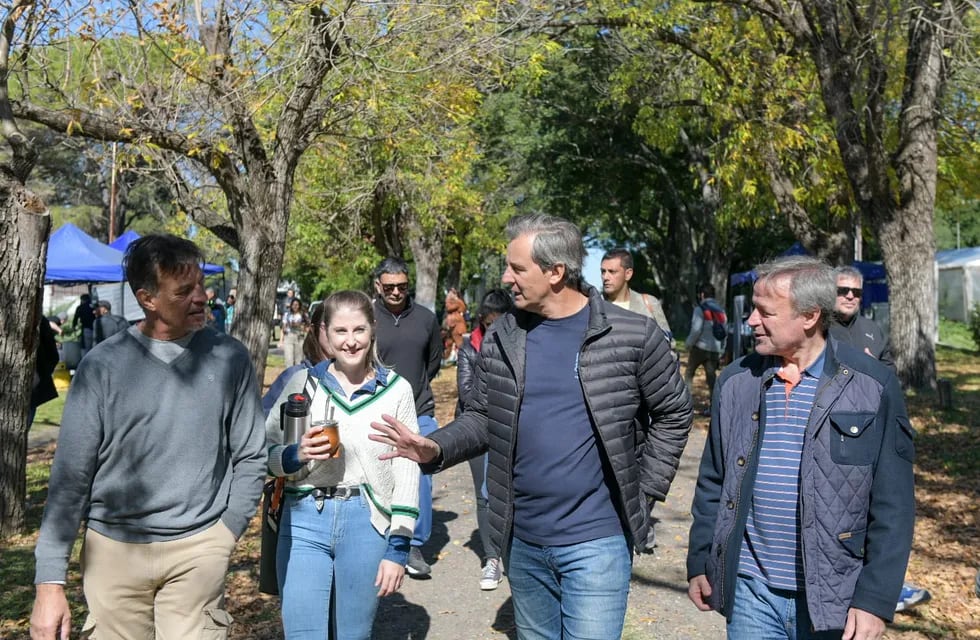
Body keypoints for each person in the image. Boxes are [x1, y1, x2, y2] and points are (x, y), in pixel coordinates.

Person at [371, 214, 693, 639]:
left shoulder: (631, 334)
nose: (506, 278)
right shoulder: (505, 334)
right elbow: (484, 415)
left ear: (556, 272)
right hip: (522, 543)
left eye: (517, 268)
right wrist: (434, 448)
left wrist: (645, 490)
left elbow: (674, 412)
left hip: (598, 542)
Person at [30, 234, 267, 640]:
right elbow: (70, 480)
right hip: (113, 554)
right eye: (184, 291)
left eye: (200, 286)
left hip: (199, 548)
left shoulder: (230, 357)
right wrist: (49, 582)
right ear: (147, 299)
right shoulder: (101, 367)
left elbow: (251, 454)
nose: (201, 298)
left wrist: (225, 533)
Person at [686, 256, 915, 640]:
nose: (751, 321)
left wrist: (874, 599)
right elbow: (713, 481)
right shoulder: (735, 382)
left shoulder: (872, 385)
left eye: (765, 312)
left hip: (835, 598)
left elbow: (894, 503)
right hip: (751, 593)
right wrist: (699, 559)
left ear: (809, 317)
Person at [264, 290, 421, 639]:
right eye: (340, 331)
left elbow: (407, 471)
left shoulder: (397, 391)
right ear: (325, 333)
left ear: (373, 330)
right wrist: (295, 454)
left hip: (366, 521)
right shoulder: (303, 385)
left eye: (359, 330)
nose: (350, 342)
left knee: (353, 634)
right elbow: (264, 456)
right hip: (304, 516)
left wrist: (398, 548)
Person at [830, 266, 929, 613]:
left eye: (856, 292)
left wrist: (874, 369)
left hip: (874, 432)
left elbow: (890, 376)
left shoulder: (872, 330)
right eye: (843, 290)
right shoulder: (819, 328)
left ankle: (884, 584)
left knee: (880, 509)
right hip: (834, 436)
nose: (850, 297)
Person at [372, 257, 443, 577]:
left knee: (422, 476)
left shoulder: (427, 319)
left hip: (419, 410)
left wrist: (412, 391)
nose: (397, 292)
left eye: (402, 286)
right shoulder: (367, 317)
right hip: (375, 411)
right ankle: (377, 538)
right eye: (390, 287)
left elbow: (434, 364)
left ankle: (413, 544)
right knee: (374, 473)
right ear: (378, 286)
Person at [454, 288, 513, 590]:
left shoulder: (522, 346)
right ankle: (492, 559)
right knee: (486, 493)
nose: (494, 331)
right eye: (489, 324)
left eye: (500, 323)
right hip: (479, 428)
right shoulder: (469, 349)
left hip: (512, 429)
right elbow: (468, 395)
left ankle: (514, 555)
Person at [599, 247, 673, 344]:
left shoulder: (649, 303)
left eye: (612, 272)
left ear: (628, 274)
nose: (605, 277)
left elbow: (668, 346)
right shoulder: (595, 307)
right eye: (603, 271)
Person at [684, 283, 727, 413]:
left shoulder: (700, 309)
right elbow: (724, 332)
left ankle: (685, 404)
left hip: (700, 347)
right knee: (712, 379)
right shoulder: (721, 310)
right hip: (714, 349)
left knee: (689, 373)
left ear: (702, 294)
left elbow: (696, 330)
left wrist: (688, 344)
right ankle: (713, 407)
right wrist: (721, 349)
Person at [29, 311, 60, 427]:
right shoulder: (39, 320)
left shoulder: (40, 321)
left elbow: (53, 356)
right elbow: (53, 356)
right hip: (33, 381)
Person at [441, 287, 468, 363]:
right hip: (452, 327)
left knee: (460, 344)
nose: (449, 295)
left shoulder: (457, 302)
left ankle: (463, 360)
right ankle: (445, 358)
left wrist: (449, 300)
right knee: (449, 342)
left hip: (457, 327)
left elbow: (448, 307)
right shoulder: (454, 303)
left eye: (451, 293)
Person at [281, 297, 309, 368]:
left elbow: (308, 327)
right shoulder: (287, 314)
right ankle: (290, 376)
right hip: (289, 337)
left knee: (299, 360)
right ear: (291, 305)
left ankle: (298, 376)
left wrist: (301, 326)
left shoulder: (303, 315)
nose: (295, 306)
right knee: (289, 359)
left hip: (299, 337)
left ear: (299, 305)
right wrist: (287, 327)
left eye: (297, 304)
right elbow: (283, 327)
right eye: (293, 304)